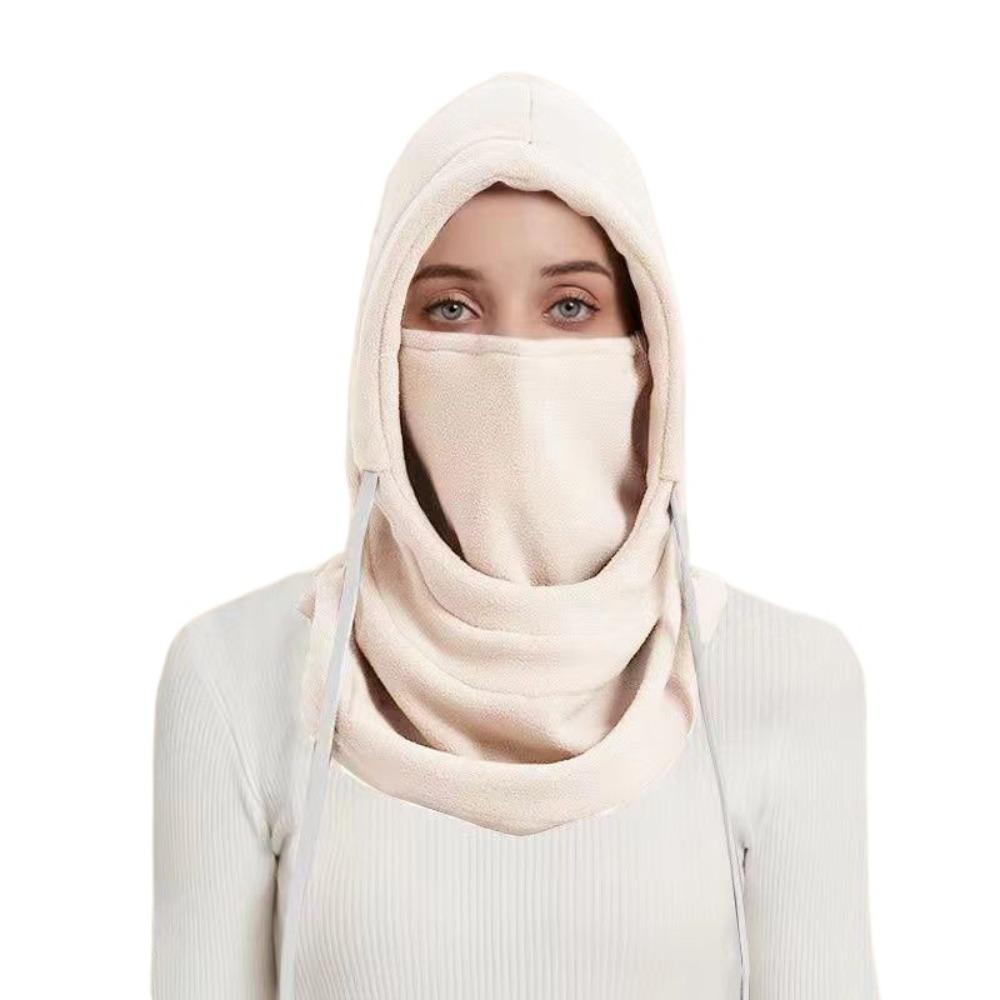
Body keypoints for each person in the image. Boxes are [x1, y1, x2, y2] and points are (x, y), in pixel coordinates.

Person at [152, 71, 880, 999]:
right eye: (451, 309)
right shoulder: (235, 677)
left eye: (571, 306)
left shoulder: (790, 680)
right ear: (381, 356)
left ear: (649, 352)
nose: (511, 362)